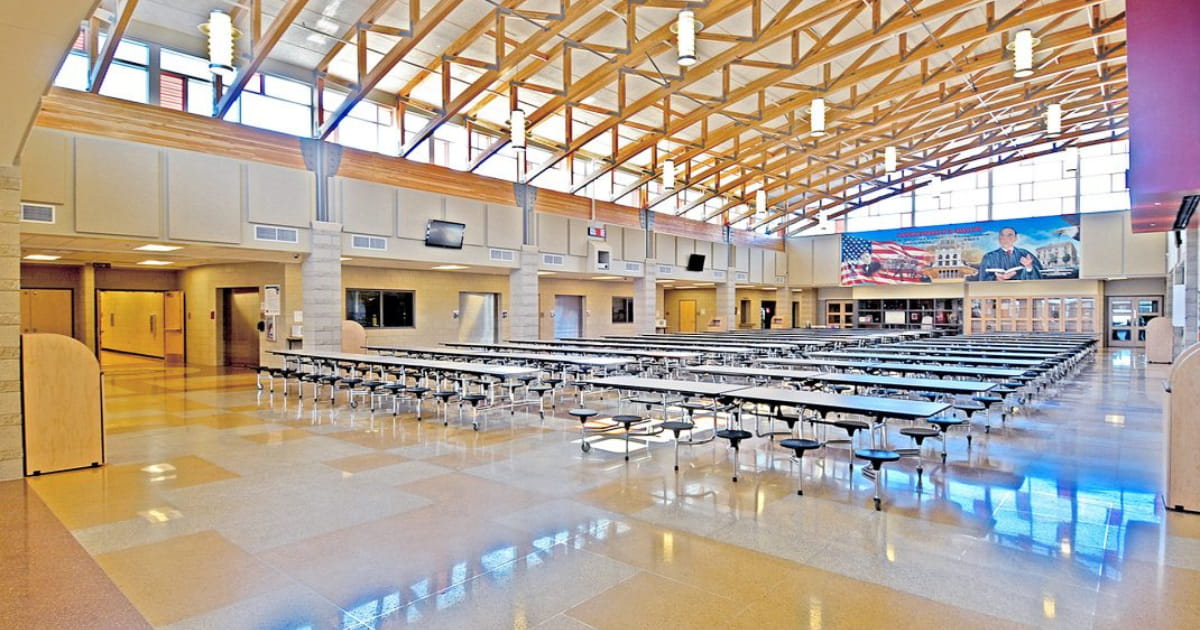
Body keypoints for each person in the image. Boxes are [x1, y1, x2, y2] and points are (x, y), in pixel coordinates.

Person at [973, 226, 1042, 281]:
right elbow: (983, 278)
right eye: (1002, 235)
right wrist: (996, 279)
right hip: (998, 295)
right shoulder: (989, 257)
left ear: (1015, 238)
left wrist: (1028, 267)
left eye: (1010, 235)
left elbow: (1039, 276)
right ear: (999, 238)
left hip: (1021, 294)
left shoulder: (1025, 254)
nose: (1005, 238)